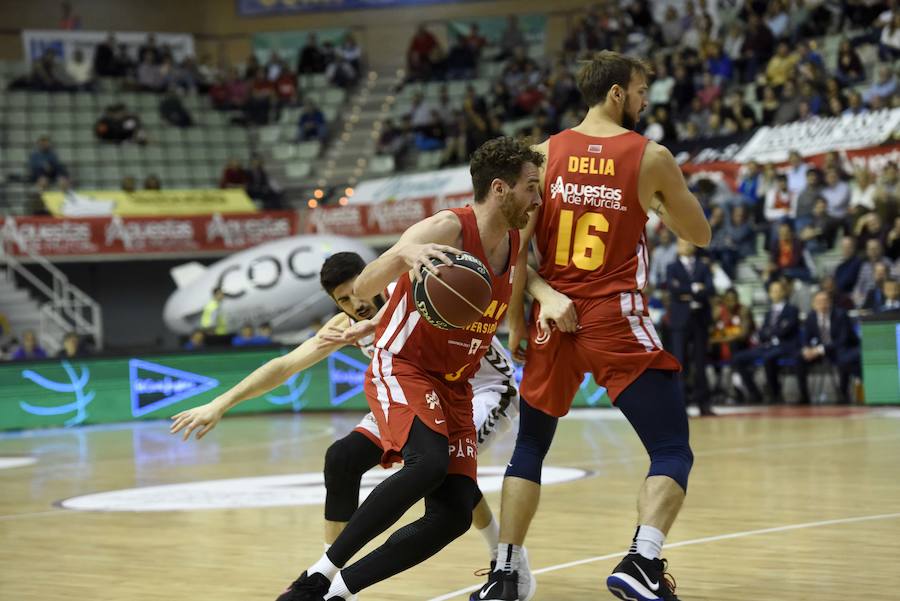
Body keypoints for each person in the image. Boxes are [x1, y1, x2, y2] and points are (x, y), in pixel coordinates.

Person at [242, 137, 539, 601]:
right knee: (426, 464)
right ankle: (315, 577)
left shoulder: (516, 238)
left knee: (454, 513)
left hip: (457, 385)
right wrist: (407, 255)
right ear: (500, 189)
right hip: (405, 366)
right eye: (530, 187)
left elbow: (520, 280)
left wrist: (524, 322)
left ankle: (338, 591)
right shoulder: (446, 227)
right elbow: (364, 284)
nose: (537, 197)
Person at [474, 50, 710, 601]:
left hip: (550, 319)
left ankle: (505, 574)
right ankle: (643, 563)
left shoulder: (544, 153)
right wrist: (654, 202)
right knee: (672, 446)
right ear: (616, 94)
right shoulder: (651, 155)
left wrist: (519, 317)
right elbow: (698, 233)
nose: (647, 97)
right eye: (642, 87)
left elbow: (517, 248)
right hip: (613, 316)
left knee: (529, 447)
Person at [172, 249, 538, 594]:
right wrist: (220, 403)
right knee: (342, 458)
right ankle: (328, 574)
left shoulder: (418, 291)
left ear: (375, 278)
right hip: (416, 393)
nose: (355, 304)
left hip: (480, 390)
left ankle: (505, 562)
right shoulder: (345, 325)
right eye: (343, 300)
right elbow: (285, 366)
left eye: (357, 292)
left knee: (439, 471)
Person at [730, 280, 800, 404]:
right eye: (772, 291)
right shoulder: (769, 312)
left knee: (769, 358)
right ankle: (754, 393)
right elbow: (762, 332)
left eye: (777, 290)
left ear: (784, 292)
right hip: (767, 346)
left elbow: (786, 330)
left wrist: (770, 332)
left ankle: (775, 394)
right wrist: (769, 333)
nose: (774, 293)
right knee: (738, 357)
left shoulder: (792, 309)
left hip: (784, 346)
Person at [666, 239, 714, 416]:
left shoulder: (703, 266)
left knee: (701, 362)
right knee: (680, 362)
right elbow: (673, 289)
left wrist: (686, 292)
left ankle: (704, 404)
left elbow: (711, 288)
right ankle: (681, 405)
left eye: (687, 243)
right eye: (681, 244)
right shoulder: (672, 267)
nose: (685, 246)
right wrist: (695, 287)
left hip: (700, 319)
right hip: (680, 321)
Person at [796, 290, 860, 404]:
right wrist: (806, 349)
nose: (822, 304)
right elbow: (805, 338)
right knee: (799, 358)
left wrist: (819, 349)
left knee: (843, 359)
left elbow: (842, 341)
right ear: (813, 304)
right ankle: (804, 396)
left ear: (830, 302)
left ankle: (843, 395)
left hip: (842, 349)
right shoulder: (811, 317)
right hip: (823, 351)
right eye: (818, 301)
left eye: (825, 301)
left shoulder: (840, 315)